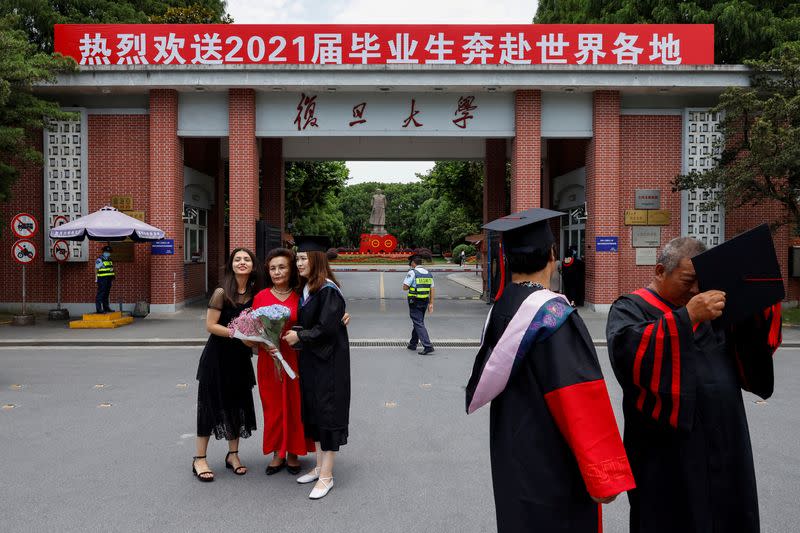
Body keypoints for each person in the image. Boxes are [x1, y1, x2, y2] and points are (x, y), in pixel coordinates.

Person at [466, 208, 635, 533]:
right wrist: (604, 477)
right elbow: (579, 397)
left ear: (507, 258)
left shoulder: (502, 309)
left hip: (513, 456)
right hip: (553, 463)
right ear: (552, 255)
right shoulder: (554, 316)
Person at [606, 236, 782, 533]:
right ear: (660, 271)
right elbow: (629, 355)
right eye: (688, 281)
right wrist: (686, 319)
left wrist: (755, 300)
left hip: (725, 440)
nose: (696, 291)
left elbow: (750, 355)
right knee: (674, 519)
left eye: (702, 282)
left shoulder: (711, 311)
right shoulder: (630, 308)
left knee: (727, 513)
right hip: (667, 453)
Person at [283, 236, 350, 500]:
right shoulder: (309, 289)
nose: (298, 263)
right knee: (314, 410)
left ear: (316, 260)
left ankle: (327, 476)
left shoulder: (328, 290)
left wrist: (299, 337)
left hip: (329, 363)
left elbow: (326, 329)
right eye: (297, 258)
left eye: (302, 258)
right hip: (313, 360)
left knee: (328, 413)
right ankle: (319, 465)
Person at [192, 247, 264, 482]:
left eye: (246, 259)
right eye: (237, 259)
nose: (242, 263)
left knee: (238, 405)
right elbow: (210, 326)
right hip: (217, 356)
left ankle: (233, 455)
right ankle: (199, 458)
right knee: (209, 406)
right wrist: (236, 334)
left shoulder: (256, 294)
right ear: (231, 264)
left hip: (240, 358)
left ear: (253, 266)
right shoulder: (222, 291)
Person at [253, 248, 316, 476]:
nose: (277, 272)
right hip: (269, 360)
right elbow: (253, 329)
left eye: (282, 267)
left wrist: (342, 317)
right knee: (273, 407)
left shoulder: (302, 295)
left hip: (296, 358)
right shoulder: (260, 297)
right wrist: (263, 344)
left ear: (291, 270)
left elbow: (316, 322)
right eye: (272, 268)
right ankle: (277, 452)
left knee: (295, 405)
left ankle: (293, 452)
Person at [403, 254, 435, 355]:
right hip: (425, 301)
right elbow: (432, 289)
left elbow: (405, 287)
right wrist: (431, 303)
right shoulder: (428, 273)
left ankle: (427, 345)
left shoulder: (412, 272)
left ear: (413, 263)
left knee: (418, 322)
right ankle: (413, 344)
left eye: (410, 263)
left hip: (415, 301)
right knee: (418, 321)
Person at [94, 245, 115, 313]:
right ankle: (99, 309)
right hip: (102, 279)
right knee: (101, 293)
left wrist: (112, 277)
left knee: (106, 293)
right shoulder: (100, 259)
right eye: (106, 251)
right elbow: (96, 269)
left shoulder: (109, 259)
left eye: (109, 252)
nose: (108, 253)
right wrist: (96, 278)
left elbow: (110, 269)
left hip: (108, 279)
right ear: (103, 252)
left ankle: (106, 307)